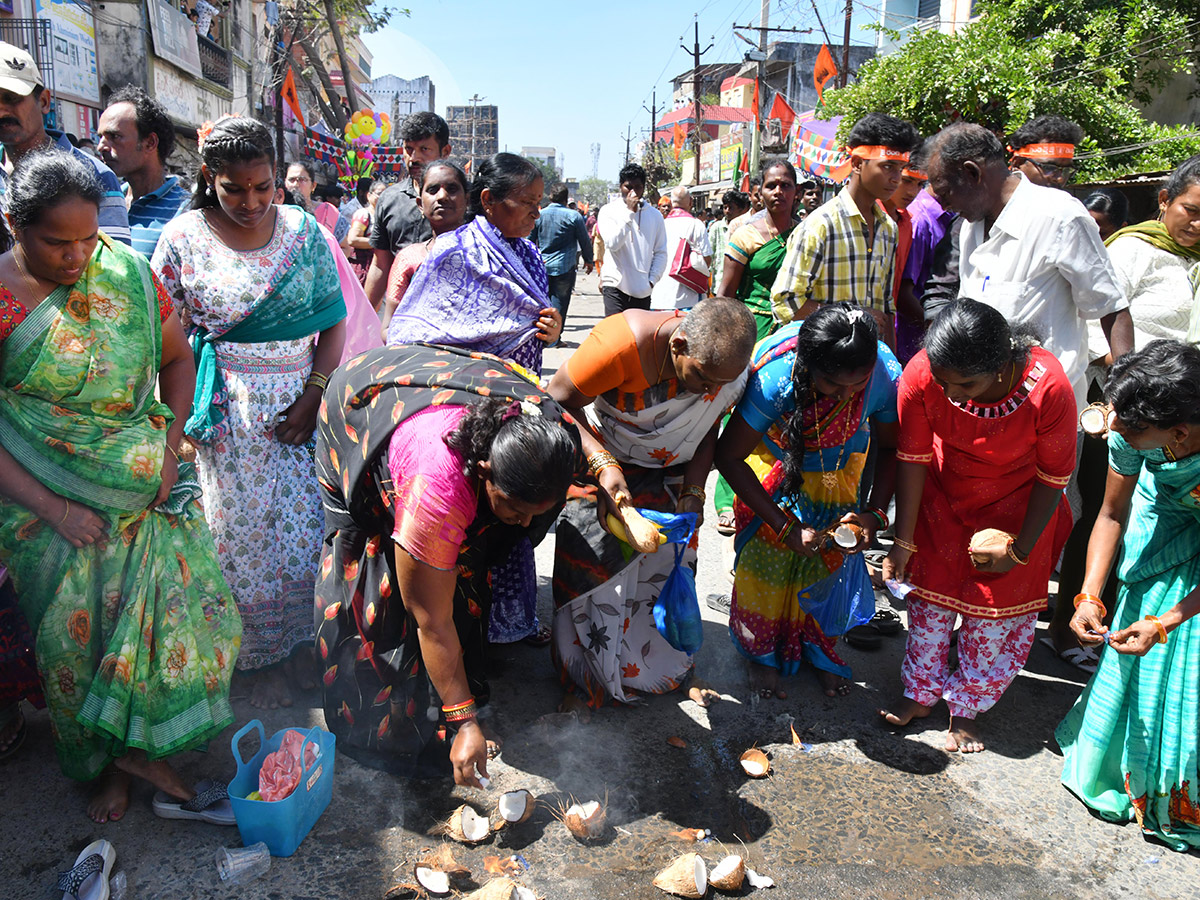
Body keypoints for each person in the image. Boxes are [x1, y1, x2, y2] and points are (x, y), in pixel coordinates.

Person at [0, 150, 241, 822]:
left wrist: (170, 451)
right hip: (46, 510)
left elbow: (176, 357)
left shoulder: (128, 272)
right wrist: (54, 507)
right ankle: (110, 769)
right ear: (11, 223)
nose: (77, 258)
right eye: (56, 242)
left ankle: (142, 746)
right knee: (78, 645)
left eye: (86, 239)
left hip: (148, 498)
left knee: (186, 626)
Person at [315, 344, 581, 783]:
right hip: (360, 405)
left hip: (433, 391)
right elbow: (431, 621)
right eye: (516, 509)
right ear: (483, 470)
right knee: (386, 583)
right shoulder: (438, 486)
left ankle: (456, 694)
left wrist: (606, 468)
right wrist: (466, 722)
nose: (527, 525)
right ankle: (397, 723)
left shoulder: (541, 427)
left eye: (536, 514)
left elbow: (569, 421)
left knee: (461, 568)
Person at [153, 116, 345, 710]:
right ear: (210, 178)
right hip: (223, 414)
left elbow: (333, 323)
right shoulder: (182, 238)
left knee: (303, 535)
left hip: (296, 412)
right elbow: (162, 332)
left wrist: (314, 396)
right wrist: (175, 421)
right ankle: (243, 655)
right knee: (231, 540)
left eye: (263, 187)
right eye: (235, 188)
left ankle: (299, 650)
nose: (251, 202)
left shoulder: (303, 233)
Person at [878, 300, 1076, 752]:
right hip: (943, 498)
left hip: (1020, 508)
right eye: (945, 383)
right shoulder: (924, 371)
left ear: (1002, 364)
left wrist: (1021, 550)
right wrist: (903, 540)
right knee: (929, 605)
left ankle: (966, 708)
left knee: (992, 619)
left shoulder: (1050, 388)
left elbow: (1054, 477)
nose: (951, 394)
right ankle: (920, 694)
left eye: (966, 384)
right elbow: (912, 456)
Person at [548, 298, 756, 710]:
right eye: (704, 378)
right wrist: (603, 464)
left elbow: (708, 425)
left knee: (670, 567)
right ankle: (584, 679)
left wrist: (694, 492)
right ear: (678, 347)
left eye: (721, 384)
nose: (712, 391)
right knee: (589, 569)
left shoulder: (723, 373)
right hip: (606, 461)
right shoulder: (618, 345)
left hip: (678, 470)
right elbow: (555, 401)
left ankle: (668, 668)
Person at [388, 152, 562, 646]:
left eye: (538, 203)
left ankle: (507, 624)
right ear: (488, 201)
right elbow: (415, 331)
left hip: (513, 406)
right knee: (459, 523)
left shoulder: (528, 252)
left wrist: (552, 329)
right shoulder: (453, 252)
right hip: (460, 410)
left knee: (512, 517)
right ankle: (453, 637)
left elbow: (530, 314)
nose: (534, 213)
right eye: (526, 203)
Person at [1053, 158, 1200, 666]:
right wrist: (1142, 388)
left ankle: (1155, 622)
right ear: (1165, 201)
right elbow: (1098, 323)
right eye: (1192, 211)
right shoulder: (1130, 250)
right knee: (1103, 509)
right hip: (1131, 405)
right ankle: (1078, 625)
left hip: (1188, 419)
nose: (1199, 225)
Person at [1057, 340, 1200, 851]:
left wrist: (1167, 623)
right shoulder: (1128, 425)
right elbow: (1111, 514)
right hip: (1156, 538)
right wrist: (1089, 596)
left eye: (1130, 429)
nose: (1113, 428)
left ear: (1179, 434)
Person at [715, 305, 900, 699]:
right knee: (770, 561)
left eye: (858, 384)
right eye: (834, 385)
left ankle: (818, 648)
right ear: (809, 366)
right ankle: (761, 653)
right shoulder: (775, 380)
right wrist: (783, 525)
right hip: (775, 469)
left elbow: (893, 449)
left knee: (829, 559)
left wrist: (875, 513)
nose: (849, 396)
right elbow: (728, 456)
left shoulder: (882, 376)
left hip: (841, 470)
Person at [770, 113, 921, 343]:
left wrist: (891, 366)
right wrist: (853, 316)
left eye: (900, 169)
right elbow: (786, 302)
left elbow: (886, 307)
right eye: (888, 166)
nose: (895, 179)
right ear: (859, 164)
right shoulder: (820, 226)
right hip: (824, 362)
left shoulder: (888, 229)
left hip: (870, 362)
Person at [0, 43, 130, 245]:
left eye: (11, 99)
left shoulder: (94, 174)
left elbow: (114, 267)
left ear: (43, 101)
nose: (2, 112)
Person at [365, 112, 452, 310]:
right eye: (409, 149)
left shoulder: (464, 200)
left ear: (445, 151)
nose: (414, 158)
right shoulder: (389, 199)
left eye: (424, 149)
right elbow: (380, 264)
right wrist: (364, 318)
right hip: (399, 314)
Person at [380, 160, 468, 340]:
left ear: (467, 199)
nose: (442, 196)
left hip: (473, 363)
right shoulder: (409, 258)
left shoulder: (485, 254)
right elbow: (388, 328)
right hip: (420, 361)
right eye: (433, 190)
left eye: (452, 189)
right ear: (420, 204)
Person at [96, 86, 189, 258]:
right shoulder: (104, 202)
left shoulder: (185, 210)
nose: (101, 146)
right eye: (100, 137)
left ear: (150, 143)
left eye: (115, 137)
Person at [720, 161, 800, 341]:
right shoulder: (744, 236)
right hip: (751, 331)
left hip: (794, 331)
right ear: (761, 193)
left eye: (785, 185)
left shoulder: (805, 234)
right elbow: (726, 294)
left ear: (796, 192)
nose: (778, 191)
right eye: (771, 186)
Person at [897, 148, 956, 364]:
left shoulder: (951, 218)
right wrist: (940, 329)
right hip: (913, 345)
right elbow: (903, 295)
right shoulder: (919, 221)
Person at [596, 163, 667, 316]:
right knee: (616, 336)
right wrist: (629, 213)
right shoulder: (608, 211)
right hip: (615, 285)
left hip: (642, 290)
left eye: (638, 187)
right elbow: (613, 244)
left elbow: (661, 252)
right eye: (628, 187)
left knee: (638, 338)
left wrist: (651, 280)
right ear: (621, 186)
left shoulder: (655, 216)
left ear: (644, 188)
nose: (633, 192)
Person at [530, 183, 594, 331]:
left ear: (551, 197)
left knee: (543, 302)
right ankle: (554, 338)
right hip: (564, 267)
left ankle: (543, 334)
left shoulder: (540, 215)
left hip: (542, 266)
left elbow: (529, 240)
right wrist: (589, 261)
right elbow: (584, 241)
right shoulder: (574, 216)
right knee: (560, 303)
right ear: (566, 199)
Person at [651, 185, 713, 310]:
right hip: (689, 299)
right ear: (691, 202)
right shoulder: (696, 225)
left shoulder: (659, 225)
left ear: (672, 203)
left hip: (659, 297)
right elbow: (706, 259)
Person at [1007, 115, 1082, 191]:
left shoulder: (1066, 202)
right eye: (1049, 167)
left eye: (1066, 170)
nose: (1060, 179)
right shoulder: (997, 200)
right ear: (1018, 164)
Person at [341, 178, 384, 285]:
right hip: (364, 268)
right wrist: (381, 243)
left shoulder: (383, 216)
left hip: (378, 267)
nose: (383, 197)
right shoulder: (363, 214)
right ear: (369, 195)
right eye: (379, 194)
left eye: (386, 194)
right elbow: (353, 239)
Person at [708, 189, 750, 294]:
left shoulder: (748, 227)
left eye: (731, 208)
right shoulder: (716, 227)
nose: (727, 211)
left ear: (741, 209)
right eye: (725, 207)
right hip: (719, 285)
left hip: (740, 287)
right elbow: (710, 255)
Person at [284, 161, 339, 230]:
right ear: (285, 183)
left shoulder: (328, 211)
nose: (296, 184)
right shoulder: (278, 212)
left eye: (302, 180)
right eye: (291, 180)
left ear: (313, 186)